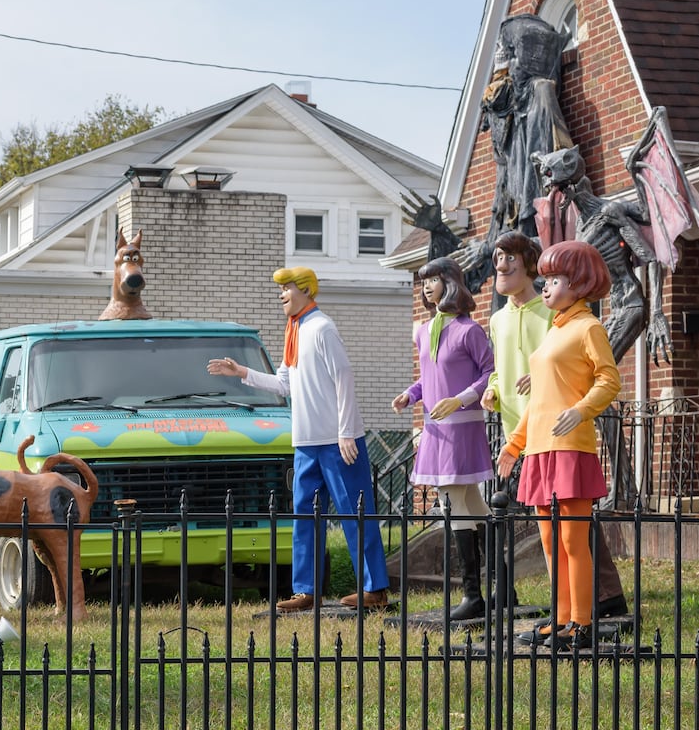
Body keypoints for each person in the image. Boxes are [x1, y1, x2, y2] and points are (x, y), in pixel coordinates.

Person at [207, 266, 390, 612]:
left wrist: (346, 431)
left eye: (287, 288)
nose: (281, 295)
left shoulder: (322, 327)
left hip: (337, 441)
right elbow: (284, 384)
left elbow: (344, 377)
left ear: (306, 290)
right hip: (306, 441)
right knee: (304, 515)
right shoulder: (294, 329)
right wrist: (242, 372)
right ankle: (306, 591)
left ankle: (375, 590)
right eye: (281, 289)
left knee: (354, 512)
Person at [480, 231, 629, 621]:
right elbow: (539, 399)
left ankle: (581, 620)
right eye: (545, 280)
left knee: (573, 540)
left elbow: (609, 379)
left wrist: (581, 410)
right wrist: (515, 444)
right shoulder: (556, 331)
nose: (546, 287)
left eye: (555, 280)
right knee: (549, 542)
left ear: (578, 284)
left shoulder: (588, 327)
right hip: (539, 449)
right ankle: (561, 618)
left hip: (571, 447)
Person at [392, 257, 494, 623]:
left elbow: (490, 373)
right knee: (473, 503)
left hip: (462, 427)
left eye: (433, 280)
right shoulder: (423, 331)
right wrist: (410, 395)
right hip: (436, 429)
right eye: (424, 281)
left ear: (450, 283)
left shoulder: (469, 331)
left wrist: (460, 399)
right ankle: (501, 587)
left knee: (452, 500)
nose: (426, 287)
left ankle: (473, 595)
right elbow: (429, 376)